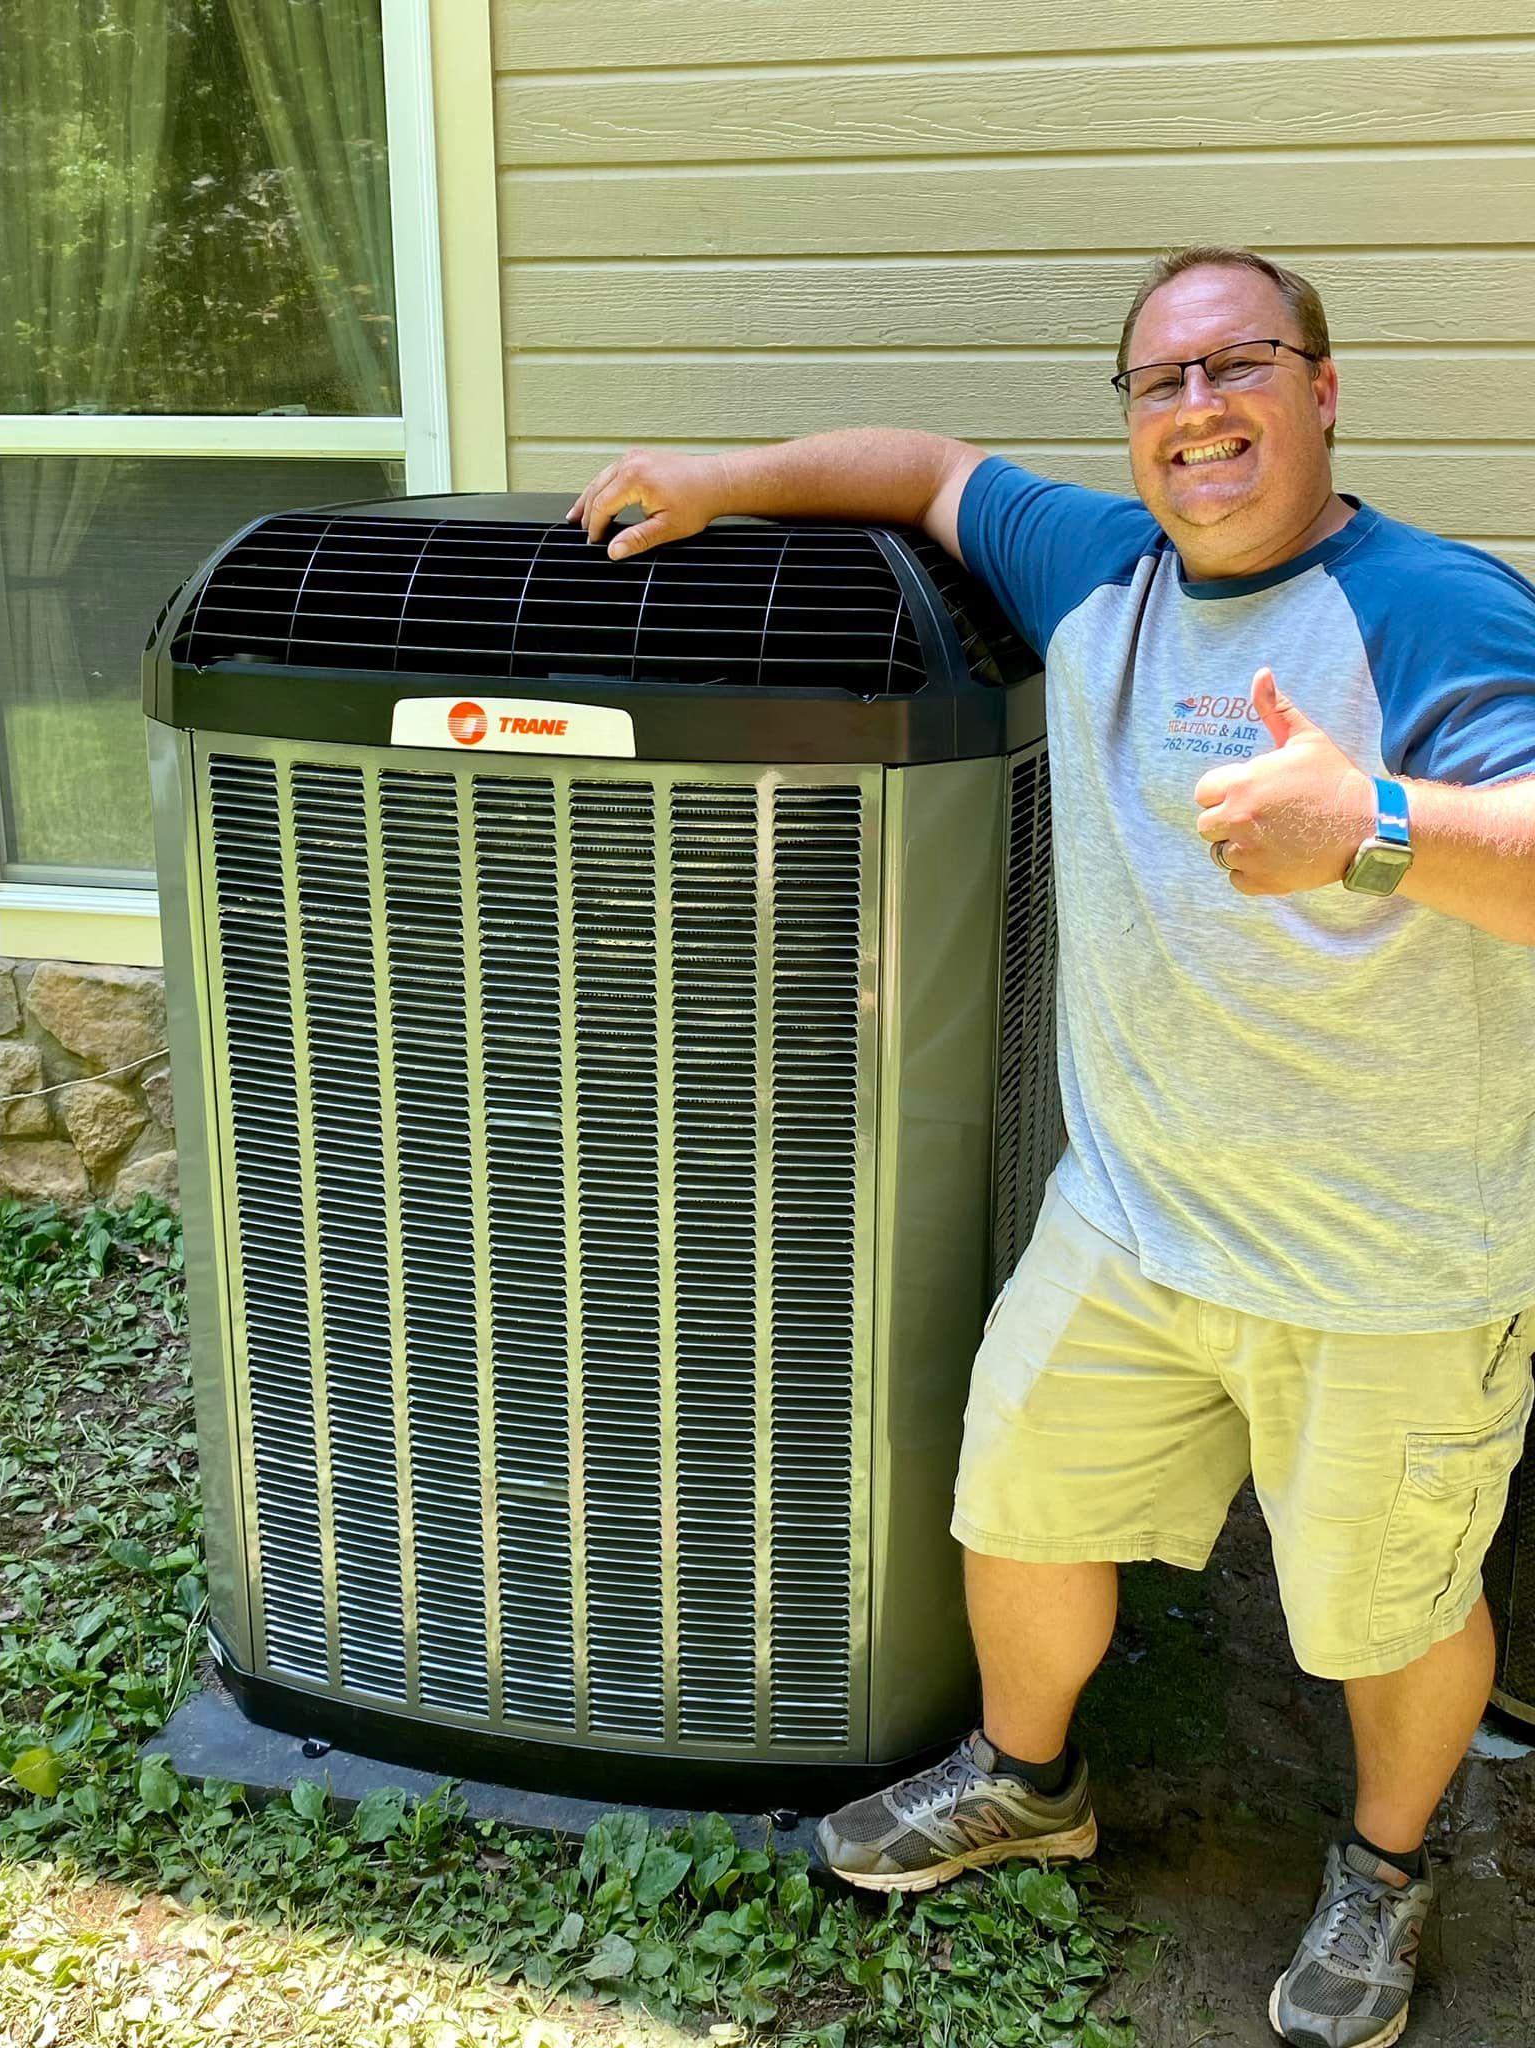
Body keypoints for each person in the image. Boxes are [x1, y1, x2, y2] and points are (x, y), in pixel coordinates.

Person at [566, 245, 1535, 2048]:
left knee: (1385, 1614)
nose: (1198, 411)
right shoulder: (1101, 570)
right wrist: (720, 479)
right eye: (1160, 383)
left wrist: (1372, 824)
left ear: (1323, 391)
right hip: (1137, 1218)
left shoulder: (1434, 611)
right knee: (1014, 1500)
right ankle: (1031, 1780)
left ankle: (1389, 1869)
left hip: (1389, 1261)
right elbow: (930, 469)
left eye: (1239, 366)